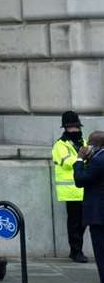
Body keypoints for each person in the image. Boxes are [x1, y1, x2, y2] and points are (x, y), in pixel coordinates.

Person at [71, 130, 104, 283]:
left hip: (99, 218)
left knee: (102, 259)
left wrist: (78, 160)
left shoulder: (99, 160)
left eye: (89, 143)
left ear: (96, 145)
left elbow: (80, 180)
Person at [53, 111, 88, 263]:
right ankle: (76, 251)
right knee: (74, 223)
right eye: (71, 127)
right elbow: (69, 162)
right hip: (71, 191)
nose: (74, 129)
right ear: (65, 128)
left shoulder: (84, 141)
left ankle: (77, 249)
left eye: (76, 127)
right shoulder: (60, 145)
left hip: (86, 189)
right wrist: (83, 158)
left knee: (85, 221)